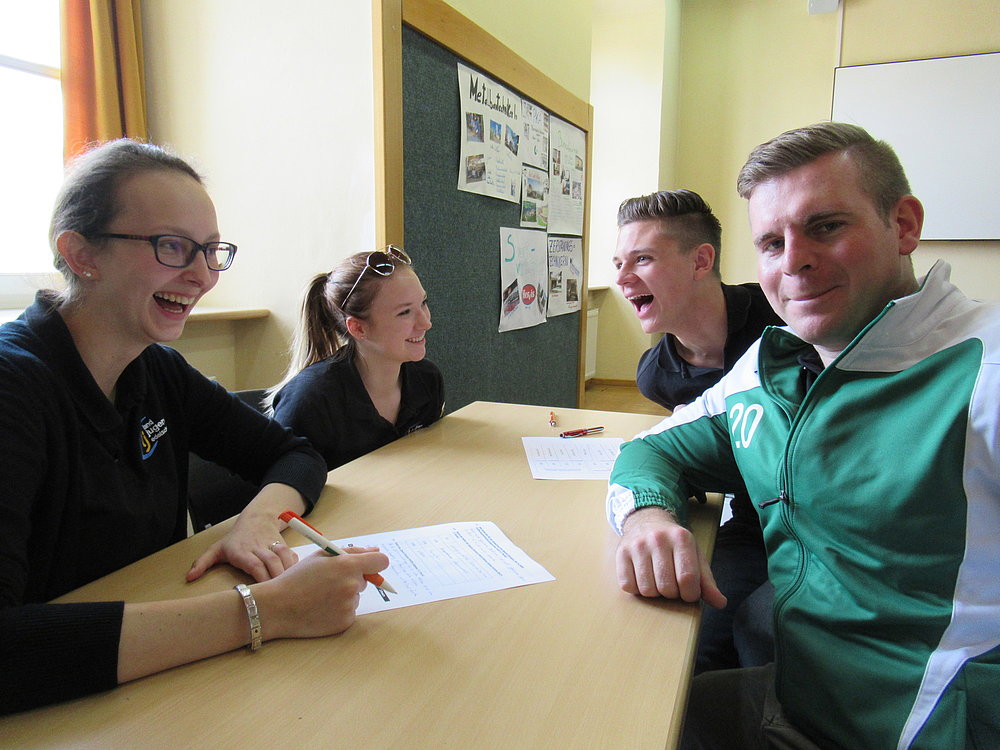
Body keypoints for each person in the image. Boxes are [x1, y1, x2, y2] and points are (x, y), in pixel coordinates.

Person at [607, 122, 1000, 749]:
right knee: (620, 713)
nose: (793, 260)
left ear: (903, 225)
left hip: (914, 725)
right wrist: (646, 517)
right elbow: (649, 449)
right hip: (797, 694)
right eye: (771, 242)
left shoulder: (984, 372)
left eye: (826, 226)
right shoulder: (773, 366)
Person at [0, 139, 389, 716]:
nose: (203, 275)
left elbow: (295, 454)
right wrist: (268, 610)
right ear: (80, 253)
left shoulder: (157, 368)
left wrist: (260, 520)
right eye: (172, 246)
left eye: (211, 251)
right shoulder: (14, 388)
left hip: (154, 679)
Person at [613, 189, 782, 673]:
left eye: (642, 259)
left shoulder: (784, 320)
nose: (622, 278)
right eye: (619, 263)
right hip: (751, 524)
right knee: (683, 644)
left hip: (814, 530)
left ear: (701, 261)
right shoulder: (657, 374)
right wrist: (650, 512)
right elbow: (688, 450)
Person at [265, 248, 444, 471]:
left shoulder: (427, 380)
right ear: (358, 328)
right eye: (404, 312)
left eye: (423, 303)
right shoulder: (309, 402)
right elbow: (281, 482)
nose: (426, 323)